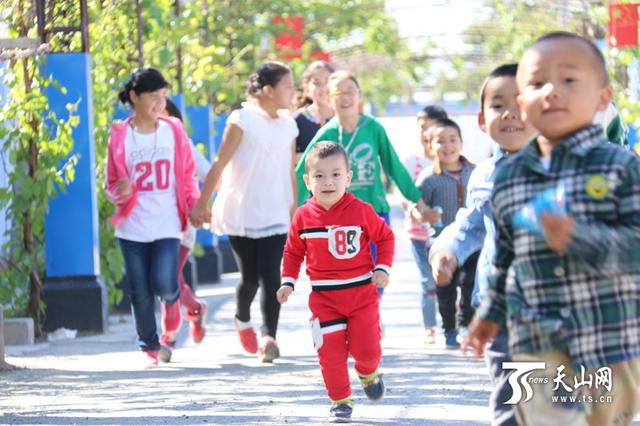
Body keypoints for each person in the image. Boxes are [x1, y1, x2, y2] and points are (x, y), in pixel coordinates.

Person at [464, 32, 640, 426]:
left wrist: (581, 238)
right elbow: (506, 259)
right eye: (538, 82)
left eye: (569, 80)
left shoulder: (620, 168)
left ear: (602, 98)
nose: (552, 91)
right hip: (535, 342)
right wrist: (490, 313)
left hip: (608, 343)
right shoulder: (509, 178)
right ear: (523, 104)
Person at [429, 63, 536, 426]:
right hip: (502, 305)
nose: (509, 113)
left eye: (520, 102)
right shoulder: (485, 174)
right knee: (512, 399)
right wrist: (447, 251)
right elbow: (472, 224)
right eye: (498, 104)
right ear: (481, 118)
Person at [277, 142, 394, 423]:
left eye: (336, 174)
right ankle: (340, 401)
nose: (328, 182)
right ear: (307, 181)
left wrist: (382, 268)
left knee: (365, 351)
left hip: (362, 296)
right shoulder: (303, 216)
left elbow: (386, 237)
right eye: (319, 176)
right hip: (324, 300)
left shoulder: (362, 210)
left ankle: (368, 373)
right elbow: (293, 251)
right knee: (330, 354)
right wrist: (288, 281)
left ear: (348, 178)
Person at [190, 62, 298, 363]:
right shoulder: (242, 120)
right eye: (288, 85)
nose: (293, 91)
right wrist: (202, 203)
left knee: (272, 278)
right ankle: (242, 318)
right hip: (242, 211)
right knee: (250, 279)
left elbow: (289, 171)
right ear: (268, 90)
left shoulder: (289, 125)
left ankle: (268, 337)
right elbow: (219, 164)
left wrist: (296, 211)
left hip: (276, 210)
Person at [295, 70, 430, 297]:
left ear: (359, 96)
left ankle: (370, 316)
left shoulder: (373, 128)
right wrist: (295, 211)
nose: (345, 97)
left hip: (374, 214)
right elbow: (302, 173)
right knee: (347, 279)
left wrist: (417, 199)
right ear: (329, 98)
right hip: (338, 220)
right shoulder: (326, 133)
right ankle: (358, 322)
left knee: (377, 276)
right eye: (339, 92)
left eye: (351, 91)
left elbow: (393, 166)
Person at [105, 68, 200, 367]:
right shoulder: (120, 137)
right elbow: (111, 184)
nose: (160, 103)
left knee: (162, 281)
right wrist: (119, 192)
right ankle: (149, 345)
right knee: (140, 291)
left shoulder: (173, 130)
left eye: (163, 96)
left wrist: (194, 203)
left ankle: (172, 301)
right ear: (134, 97)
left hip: (167, 222)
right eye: (153, 96)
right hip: (132, 227)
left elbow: (187, 175)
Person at [413, 117, 477, 349]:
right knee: (446, 288)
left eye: (453, 139)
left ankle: (465, 326)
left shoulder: (475, 172)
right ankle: (449, 329)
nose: (448, 146)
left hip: (472, 242)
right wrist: (422, 214)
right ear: (430, 146)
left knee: (470, 283)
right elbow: (416, 206)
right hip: (440, 243)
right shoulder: (429, 178)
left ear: (461, 142)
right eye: (441, 141)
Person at [156, 98, 210, 363]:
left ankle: (167, 336)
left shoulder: (183, 144)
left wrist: (200, 205)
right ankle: (195, 309)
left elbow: (209, 172)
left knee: (168, 276)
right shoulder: (140, 144)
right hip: (151, 223)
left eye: (161, 110)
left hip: (182, 223)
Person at [403, 105, 448, 344]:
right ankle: (429, 326)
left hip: (445, 233)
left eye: (429, 127)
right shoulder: (412, 159)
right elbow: (403, 193)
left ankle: (453, 321)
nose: (425, 132)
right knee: (427, 280)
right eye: (421, 127)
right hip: (418, 234)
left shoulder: (452, 158)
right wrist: (414, 210)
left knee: (449, 278)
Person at [293, 61, 335, 163]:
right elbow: (289, 158)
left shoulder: (343, 118)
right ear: (306, 89)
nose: (323, 87)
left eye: (327, 81)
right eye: (317, 83)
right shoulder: (297, 119)